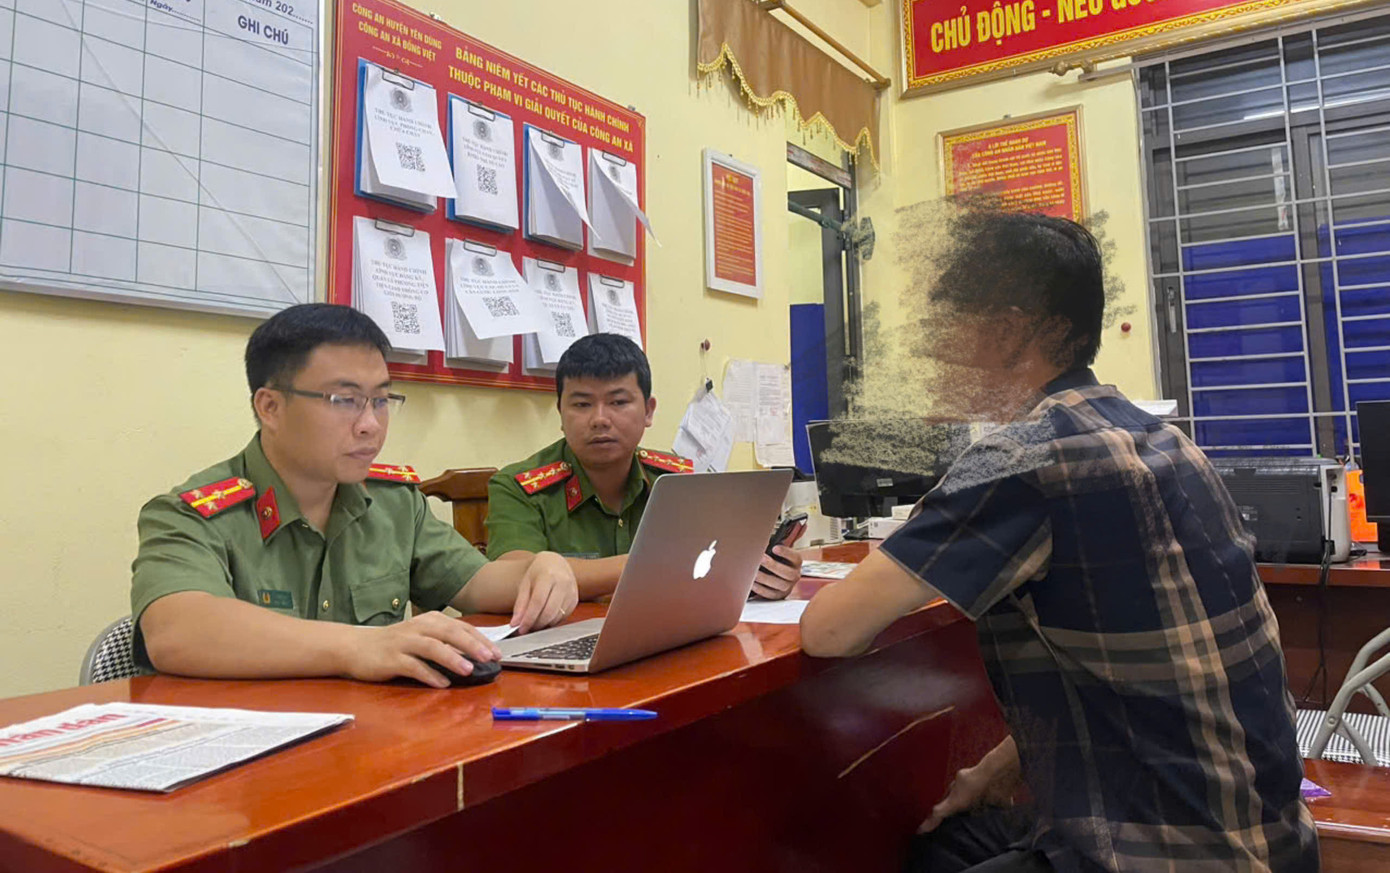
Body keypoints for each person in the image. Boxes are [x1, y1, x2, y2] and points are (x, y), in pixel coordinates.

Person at [800, 211, 1316, 873]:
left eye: (949, 326)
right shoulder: (1164, 441)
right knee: (949, 842)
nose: (935, 353)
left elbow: (830, 631)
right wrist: (995, 767)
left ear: (1010, 330)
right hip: (1267, 838)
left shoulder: (1024, 457)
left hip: (1168, 854)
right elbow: (1132, 675)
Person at [130, 303, 579, 688]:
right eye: (344, 400)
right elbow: (175, 631)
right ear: (270, 407)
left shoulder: (392, 501)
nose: (370, 425)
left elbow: (477, 585)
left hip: (368, 738)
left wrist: (541, 569)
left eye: (381, 400)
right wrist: (359, 646)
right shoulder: (191, 515)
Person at [485, 333, 803, 600]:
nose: (599, 419)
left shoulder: (679, 481)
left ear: (648, 411)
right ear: (560, 413)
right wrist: (650, 564)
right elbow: (515, 579)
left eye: (618, 402)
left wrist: (766, 577)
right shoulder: (518, 487)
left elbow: (716, 564)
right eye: (582, 404)